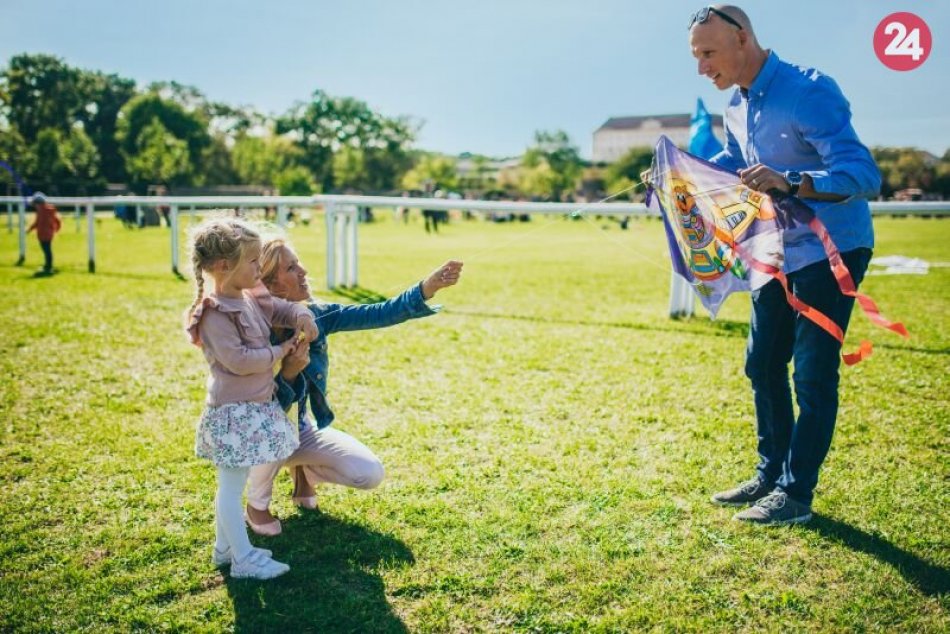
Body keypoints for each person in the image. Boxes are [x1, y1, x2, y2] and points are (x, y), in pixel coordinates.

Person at [688, 6, 881, 525]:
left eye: (708, 53)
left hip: (831, 251)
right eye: (696, 56)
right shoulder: (734, 105)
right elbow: (733, 166)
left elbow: (862, 173)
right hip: (774, 250)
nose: (702, 67)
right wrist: (678, 180)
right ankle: (769, 474)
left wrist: (792, 180)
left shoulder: (810, 90)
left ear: (742, 38)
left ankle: (796, 496)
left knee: (812, 376)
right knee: (761, 363)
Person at [243, 237, 463, 535]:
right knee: (278, 428)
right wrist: (290, 375)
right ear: (271, 283)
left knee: (368, 474)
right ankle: (257, 507)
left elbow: (378, 312)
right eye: (292, 267)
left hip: (300, 428)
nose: (304, 271)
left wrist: (428, 287)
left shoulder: (317, 315)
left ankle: (303, 471)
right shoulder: (250, 330)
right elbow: (261, 409)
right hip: (259, 435)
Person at [185, 218, 319, 578]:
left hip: (252, 409)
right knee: (230, 488)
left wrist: (303, 315)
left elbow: (282, 309)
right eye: (253, 262)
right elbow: (239, 361)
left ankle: (224, 549)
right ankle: (243, 558)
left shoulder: (249, 298)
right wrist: (280, 351)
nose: (259, 269)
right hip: (233, 413)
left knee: (233, 483)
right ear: (222, 266)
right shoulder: (215, 313)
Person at [27, 192, 62, 276]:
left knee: (46, 251)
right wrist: (57, 228)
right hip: (50, 234)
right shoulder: (51, 210)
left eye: (35, 204)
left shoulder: (41, 211)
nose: (35, 206)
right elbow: (57, 221)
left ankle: (48, 266)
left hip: (42, 234)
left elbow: (37, 222)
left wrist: (30, 229)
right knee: (48, 251)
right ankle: (48, 265)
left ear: (38, 203)